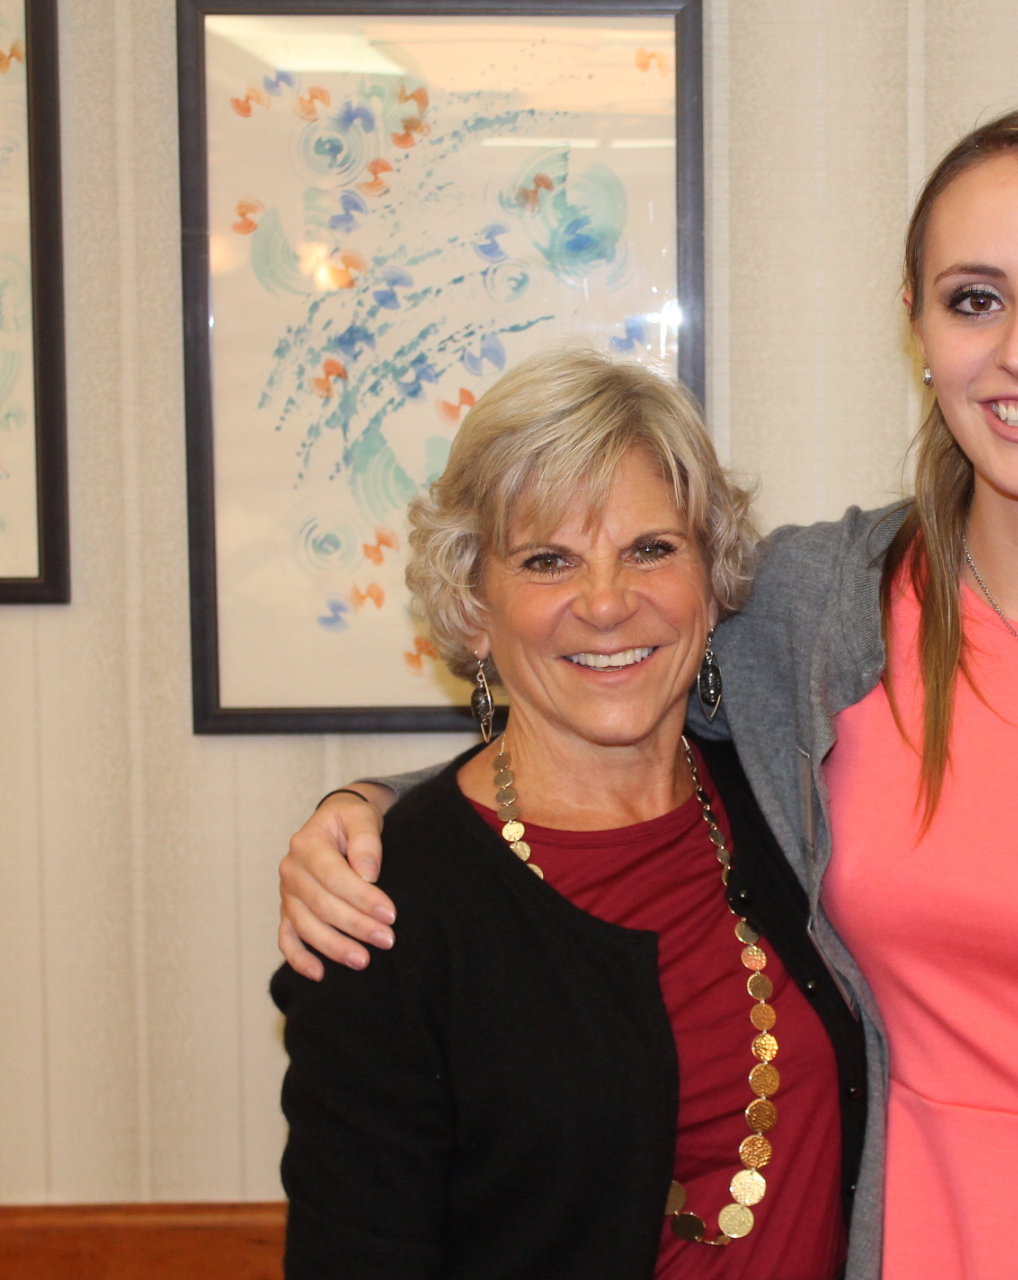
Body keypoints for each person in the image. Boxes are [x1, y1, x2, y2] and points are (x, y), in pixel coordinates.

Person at [279, 105, 1018, 1280]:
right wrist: (378, 810)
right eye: (976, 298)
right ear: (919, 331)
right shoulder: (810, 617)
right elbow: (599, 691)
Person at [271, 349, 866, 1279]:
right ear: (474, 608)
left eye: (651, 549)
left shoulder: (788, 805)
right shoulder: (386, 909)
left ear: (711, 583)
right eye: (549, 560)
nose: (606, 603)